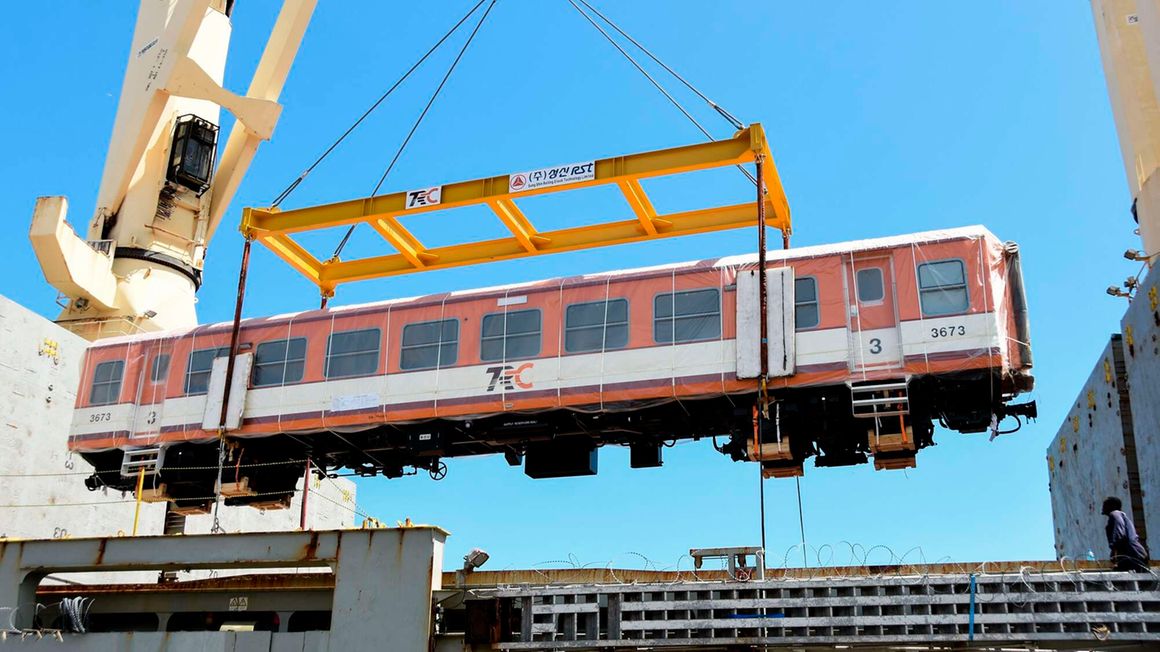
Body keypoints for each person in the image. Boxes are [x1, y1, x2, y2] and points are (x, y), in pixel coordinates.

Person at [1102, 496, 1150, 572]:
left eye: (1105, 504)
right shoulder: (1121, 515)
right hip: (1134, 554)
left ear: (1113, 506)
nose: (1103, 507)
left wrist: (1114, 551)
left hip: (1132, 554)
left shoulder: (1115, 514)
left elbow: (1119, 533)